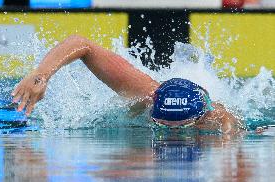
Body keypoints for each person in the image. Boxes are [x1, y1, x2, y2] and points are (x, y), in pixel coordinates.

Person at [12, 35, 242, 134]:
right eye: (161, 126)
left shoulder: (217, 119)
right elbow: (82, 44)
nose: (169, 135)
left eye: (180, 129)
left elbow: (234, 137)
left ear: (198, 120)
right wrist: (41, 76)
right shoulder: (146, 93)